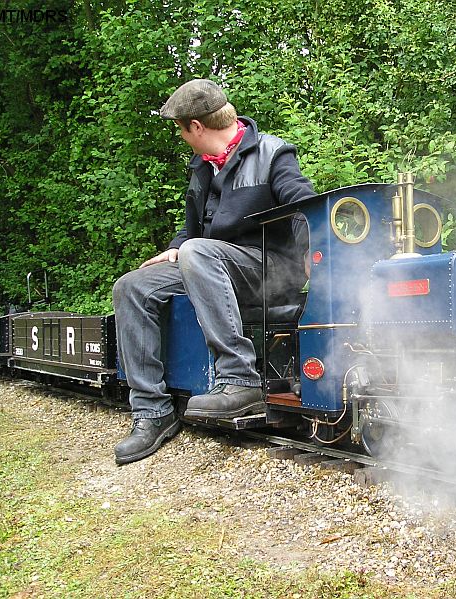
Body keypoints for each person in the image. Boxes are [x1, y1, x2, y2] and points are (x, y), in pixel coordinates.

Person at [113, 79, 314, 465]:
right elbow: (194, 230)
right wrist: (174, 249)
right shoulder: (203, 168)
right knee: (132, 286)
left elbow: (305, 204)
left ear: (196, 126)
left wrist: (313, 252)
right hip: (207, 261)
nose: (182, 137)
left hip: (268, 268)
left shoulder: (272, 153)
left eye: (180, 129)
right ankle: (152, 412)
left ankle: (239, 377)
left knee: (198, 253)